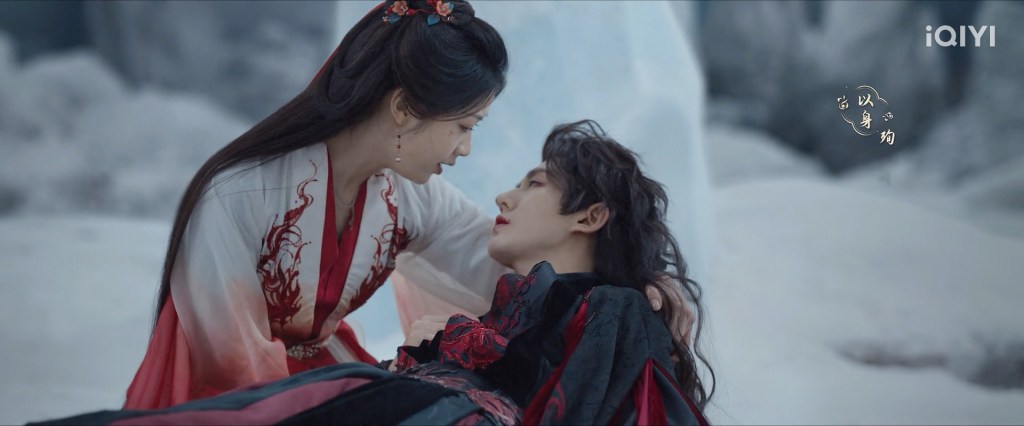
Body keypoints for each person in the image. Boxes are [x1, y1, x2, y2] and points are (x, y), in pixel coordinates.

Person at [124, 0, 688, 410]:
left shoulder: (408, 195)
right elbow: (229, 361)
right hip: (244, 401)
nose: (465, 150)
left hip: (333, 384)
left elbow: (514, 269)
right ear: (403, 109)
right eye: (464, 126)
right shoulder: (237, 195)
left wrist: (633, 283)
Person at [38, 120, 712, 425]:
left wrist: (641, 288)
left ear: (590, 216)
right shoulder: (521, 298)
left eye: (533, 183)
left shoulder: (617, 311)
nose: (504, 196)